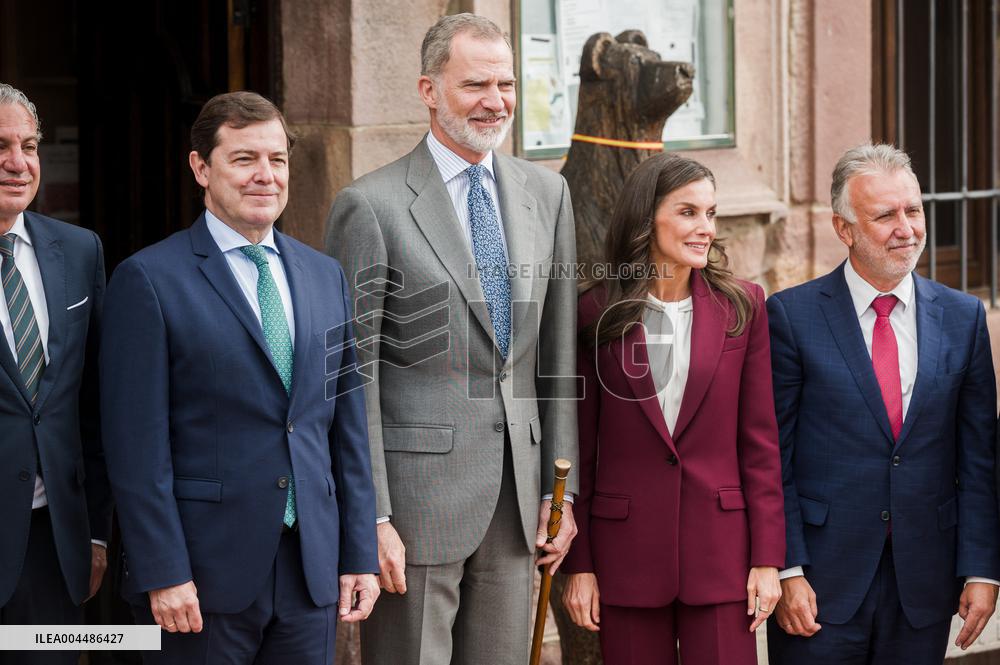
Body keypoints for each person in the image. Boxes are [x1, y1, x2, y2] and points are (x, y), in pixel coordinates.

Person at [325, 13, 578, 665]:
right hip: (415, 505)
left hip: (518, 502)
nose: (496, 101)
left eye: (507, 83)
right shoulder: (370, 205)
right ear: (428, 89)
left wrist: (563, 495)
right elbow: (354, 377)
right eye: (475, 85)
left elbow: (556, 356)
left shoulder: (548, 194)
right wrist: (372, 514)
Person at [100, 91, 379, 665]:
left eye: (276, 160)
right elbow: (136, 449)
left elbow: (345, 430)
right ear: (201, 167)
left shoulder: (324, 275)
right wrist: (164, 570)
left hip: (311, 573)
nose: (265, 176)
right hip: (201, 579)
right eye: (244, 159)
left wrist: (358, 551)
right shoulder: (149, 280)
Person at [766, 143, 1000, 664]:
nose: (907, 228)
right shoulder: (790, 317)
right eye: (885, 215)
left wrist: (982, 569)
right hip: (819, 587)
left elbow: (979, 457)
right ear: (844, 229)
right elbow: (770, 458)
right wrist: (786, 568)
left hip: (925, 584)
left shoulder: (963, 318)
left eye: (913, 210)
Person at [560, 153, 786, 665]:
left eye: (710, 213)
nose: (705, 227)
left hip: (723, 555)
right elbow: (579, 448)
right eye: (688, 212)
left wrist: (768, 559)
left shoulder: (743, 307)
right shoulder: (594, 313)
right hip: (625, 559)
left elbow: (760, 444)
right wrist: (581, 564)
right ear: (647, 218)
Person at [0, 83, 113, 665]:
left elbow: (93, 403)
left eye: (28, 145)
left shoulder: (79, 250)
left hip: (53, 542)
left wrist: (95, 532)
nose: (17, 163)